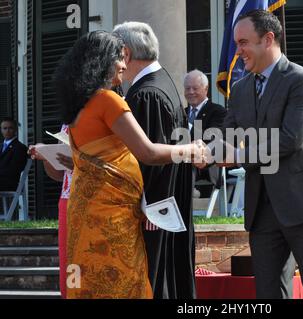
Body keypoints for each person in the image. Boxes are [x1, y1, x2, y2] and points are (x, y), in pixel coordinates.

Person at [53, 30, 205, 299]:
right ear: (102, 62)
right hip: (113, 217)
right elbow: (148, 152)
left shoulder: (77, 105)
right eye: (120, 58)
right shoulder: (107, 100)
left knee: (86, 278)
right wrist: (189, 150)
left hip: (83, 212)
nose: (124, 64)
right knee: (121, 280)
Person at [218, 10, 303, 299]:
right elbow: (229, 135)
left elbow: (290, 139)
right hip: (262, 208)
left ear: (268, 39)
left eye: (244, 42)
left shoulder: (301, 80)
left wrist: (237, 155)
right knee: (268, 293)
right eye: (236, 43)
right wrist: (206, 150)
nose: (238, 51)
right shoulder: (240, 87)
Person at [112, 22, 196, 299]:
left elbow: (150, 157)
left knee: (154, 280)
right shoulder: (161, 83)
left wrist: (153, 207)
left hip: (156, 210)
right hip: (166, 205)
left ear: (125, 53)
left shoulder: (147, 93)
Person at [28, 124, 73, 299]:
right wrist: (47, 156)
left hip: (95, 201)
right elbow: (60, 174)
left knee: (89, 262)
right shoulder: (67, 124)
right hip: (67, 201)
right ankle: (72, 295)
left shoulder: (104, 113)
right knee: (70, 264)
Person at [184, 69, 227, 196]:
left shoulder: (218, 111)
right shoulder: (181, 112)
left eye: (195, 88)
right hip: (183, 160)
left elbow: (212, 139)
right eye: (187, 88)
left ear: (206, 89)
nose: (191, 92)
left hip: (206, 164)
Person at [0, 118, 28, 192]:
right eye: (5, 128)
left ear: (15, 130)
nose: (7, 131)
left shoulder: (20, 147)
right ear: (1, 130)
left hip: (9, 182)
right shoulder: (0, 146)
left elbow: (14, 169)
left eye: (10, 128)